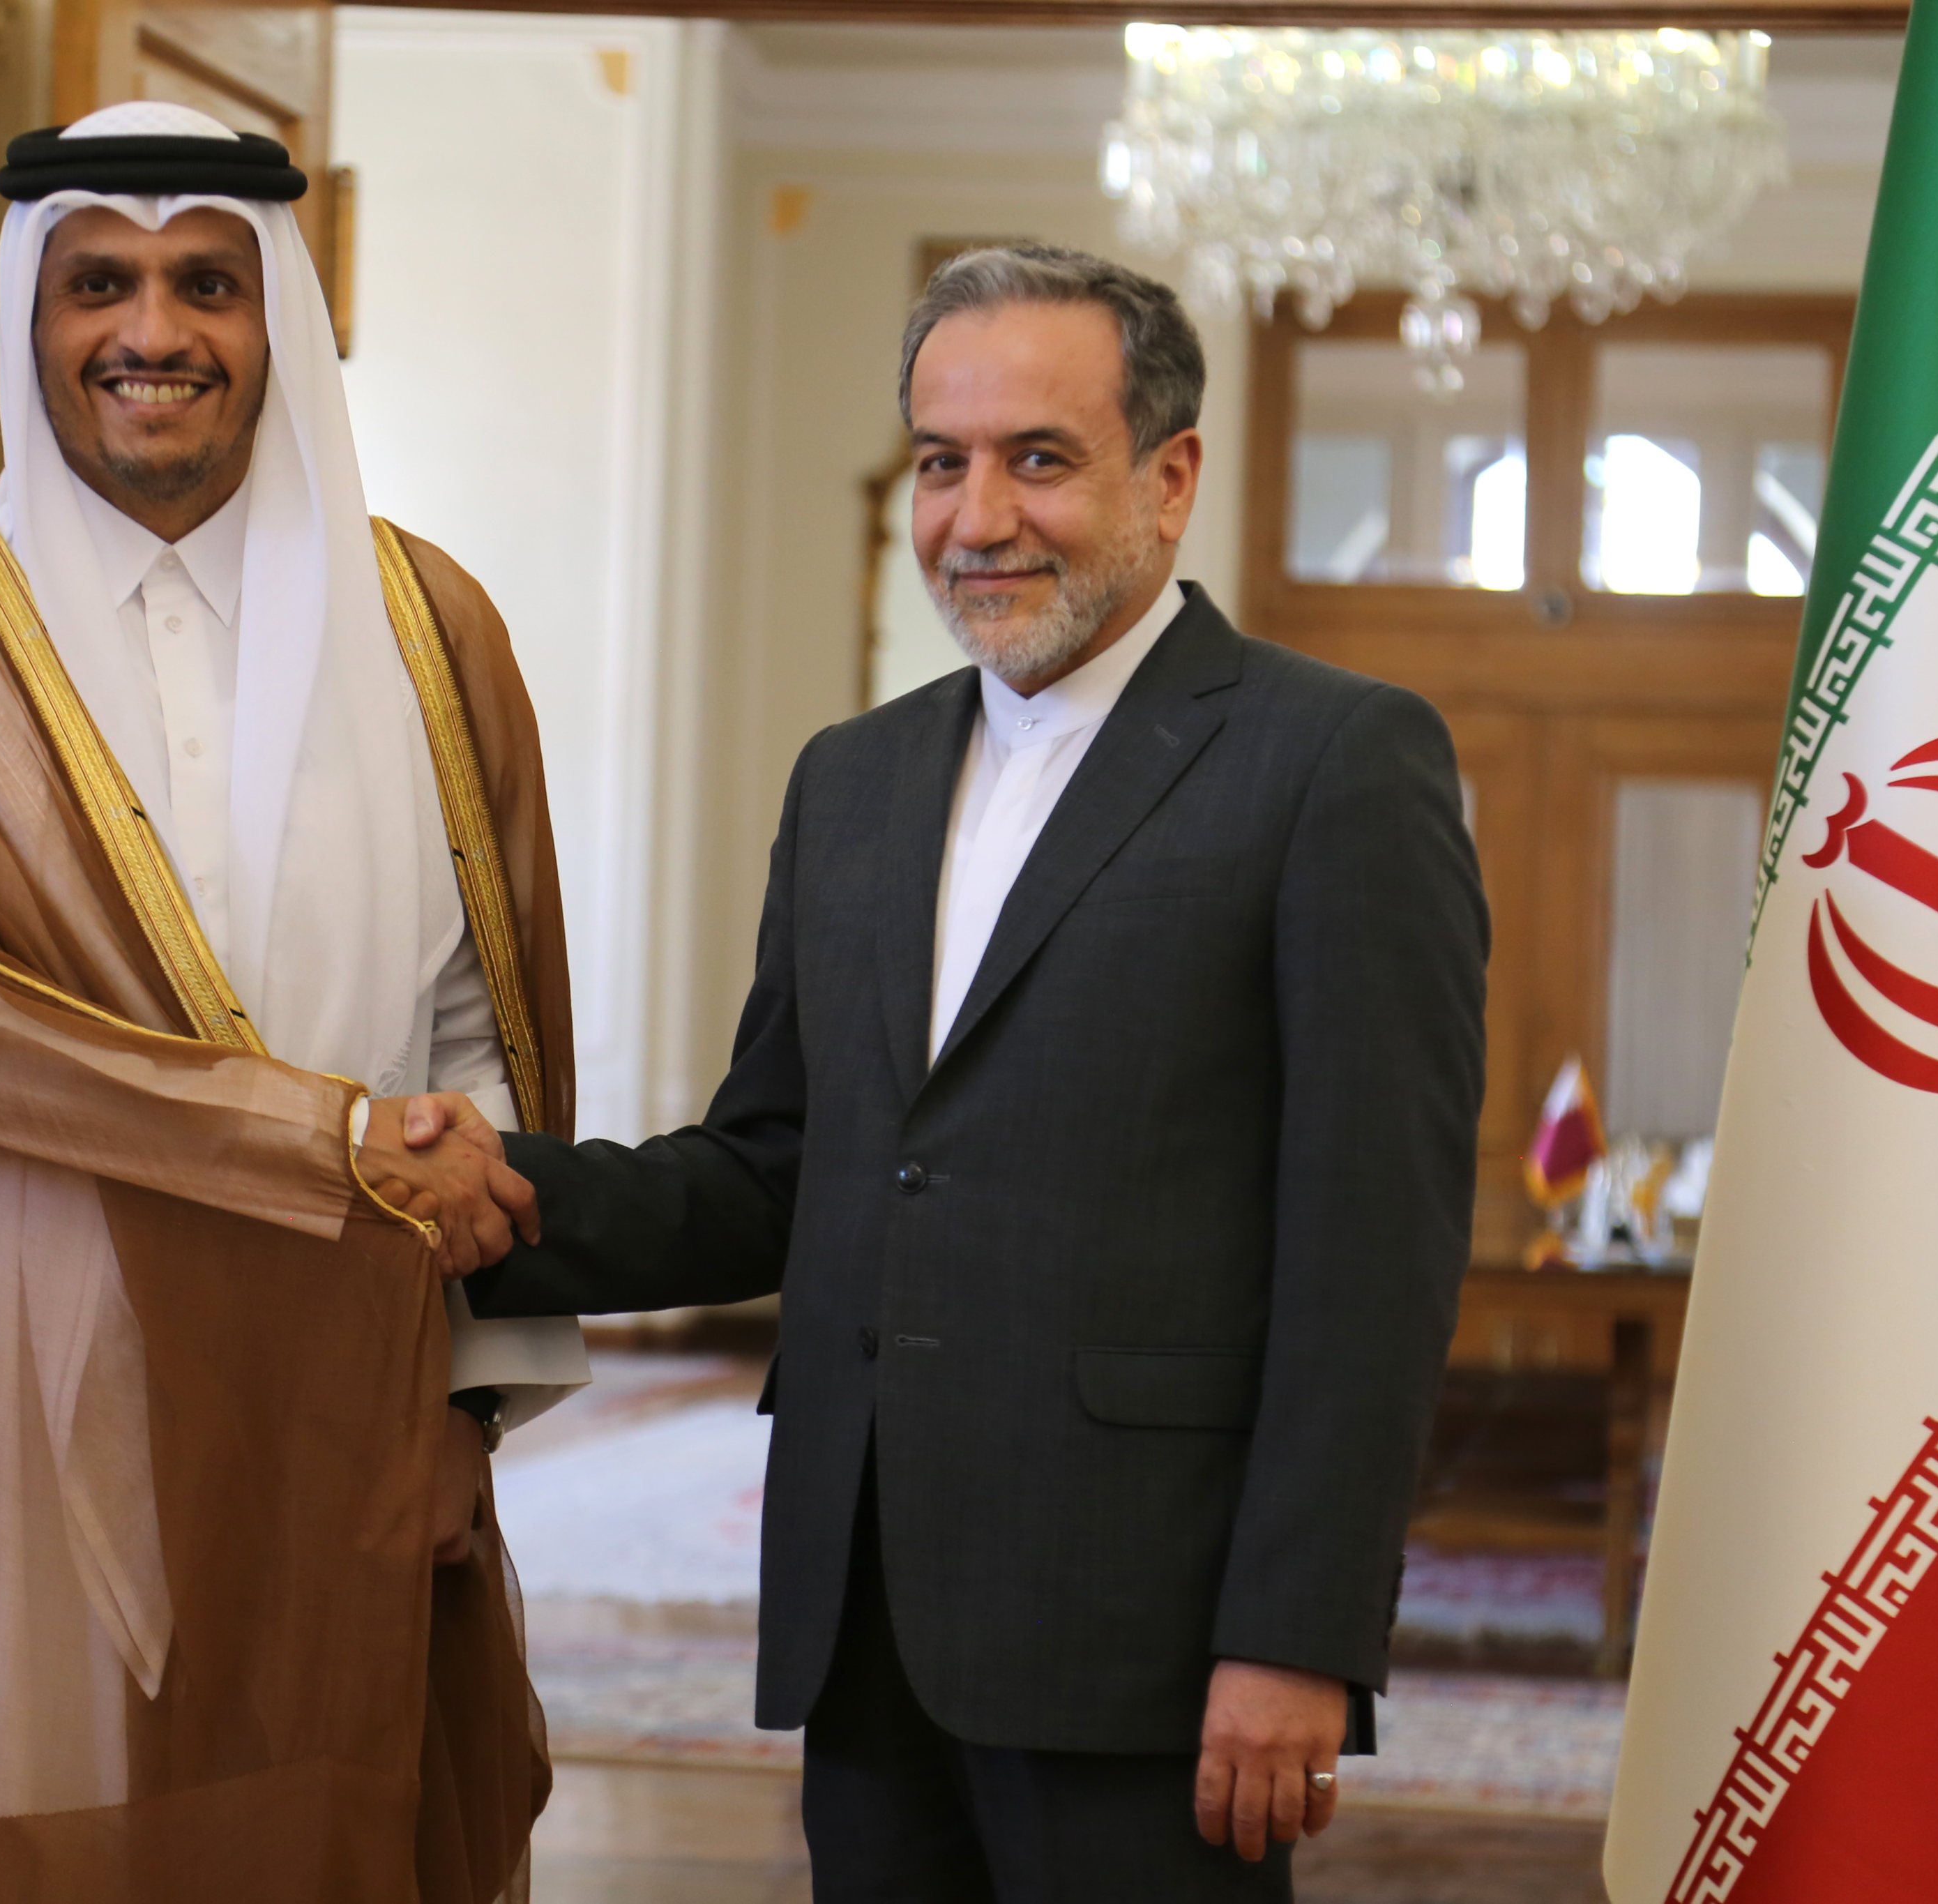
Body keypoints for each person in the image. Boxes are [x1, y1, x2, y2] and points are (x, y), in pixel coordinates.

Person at [414, 245, 1489, 1899]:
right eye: (939, 461)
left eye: (1036, 459)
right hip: (868, 1622)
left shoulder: (1334, 762)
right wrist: (502, 1194)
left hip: (1150, 1643)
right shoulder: (851, 781)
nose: (974, 517)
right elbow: (775, 1170)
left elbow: (1371, 1256)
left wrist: (1296, 1640)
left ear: (1169, 475)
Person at [0, 103, 585, 1901]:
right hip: (8, 1384)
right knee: (28, 1840)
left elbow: (484, 1045)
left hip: (344, 1398)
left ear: (278, 313)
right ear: (28, 320)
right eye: (96, 283)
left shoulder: (432, 630)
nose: (153, 333)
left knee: (315, 1835)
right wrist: (331, 1135)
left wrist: (464, 1412)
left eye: (210, 282)